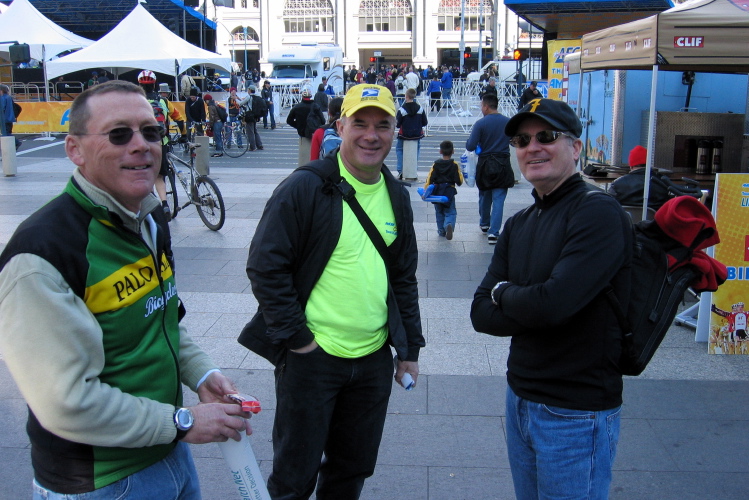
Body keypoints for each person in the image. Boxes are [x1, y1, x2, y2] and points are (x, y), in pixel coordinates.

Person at [0, 80, 250, 498]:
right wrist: (181, 422)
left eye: (151, 132)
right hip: (100, 482)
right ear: (74, 150)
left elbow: (163, 318)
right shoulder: (41, 254)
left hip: (167, 453)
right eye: (119, 134)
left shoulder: (148, 219)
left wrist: (202, 373)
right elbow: (65, 401)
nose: (141, 145)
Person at [244, 83, 423, 500]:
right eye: (359, 123)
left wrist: (409, 350)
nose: (371, 135)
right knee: (294, 474)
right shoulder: (305, 187)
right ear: (339, 126)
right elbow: (265, 266)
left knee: (351, 471)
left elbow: (403, 277)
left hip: (373, 361)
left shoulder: (396, 195)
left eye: (382, 125)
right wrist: (299, 341)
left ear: (396, 131)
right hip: (313, 360)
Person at [471, 98, 632, 500]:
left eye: (546, 136)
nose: (532, 147)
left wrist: (506, 292)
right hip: (520, 398)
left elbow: (553, 305)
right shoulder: (519, 222)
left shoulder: (598, 213)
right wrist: (537, 304)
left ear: (575, 148)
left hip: (575, 412)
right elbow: (479, 312)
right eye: (522, 140)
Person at [465, 94, 515, 243]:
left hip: (485, 164)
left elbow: (470, 146)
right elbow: (514, 141)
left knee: (485, 196)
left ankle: (485, 223)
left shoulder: (481, 124)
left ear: (486, 106)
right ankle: (494, 232)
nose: (481, 108)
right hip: (503, 163)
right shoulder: (508, 122)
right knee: (499, 198)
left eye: (481, 106)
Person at [138, 71, 184, 220]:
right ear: (155, 85)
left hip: (141, 143)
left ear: (139, 85)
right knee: (159, 175)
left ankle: (150, 203)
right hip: (160, 142)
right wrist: (183, 135)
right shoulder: (163, 101)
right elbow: (179, 118)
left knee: (144, 173)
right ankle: (164, 204)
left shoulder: (135, 101)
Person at [609, 145, 671, 210]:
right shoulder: (663, 182)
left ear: (631, 166)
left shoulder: (617, 184)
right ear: (649, 164)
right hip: (654, 219)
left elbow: (610, 206)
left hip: (626, 219)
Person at [424, 140, 464, 240]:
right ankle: (449, 224)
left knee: (439, 211)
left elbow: (429, 178)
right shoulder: (454, 165)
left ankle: (441, 230)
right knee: (450, 211)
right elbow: (459, 180)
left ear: (440, 151)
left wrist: (426, 191)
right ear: (453, 151)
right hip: (449, 191)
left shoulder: (436, 164)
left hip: (437, 192)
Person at [287, 84, 323, 167]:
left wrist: (298, 126)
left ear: (302, 96)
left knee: (303, 161)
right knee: (314, 159)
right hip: (314, 134)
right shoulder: (316, 107)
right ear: (311, 96)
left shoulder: (297, 107)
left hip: (302, 135)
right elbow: (323, 121)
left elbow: (289, 120)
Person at [395, 88, 428, 180]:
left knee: (399, 150)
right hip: (417, 134)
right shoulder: (420, 108)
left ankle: (401, 170)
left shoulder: (402, 109)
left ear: (406, 96)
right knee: (416, 151)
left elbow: (398, 124)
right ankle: (413, 170)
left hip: (404, 134)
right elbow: (425, 122)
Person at [238, 85, 264, 152]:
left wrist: (236, 98)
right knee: (255, 131)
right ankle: (259, 145)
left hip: (249, 115)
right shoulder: (257, 97)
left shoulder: (249, 97)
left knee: (250, 132)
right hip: (255, 115)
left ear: (250, 90)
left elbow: (240, 104)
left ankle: (252, 147)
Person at [0, 84, 21, 150]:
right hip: (9, 118)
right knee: (7, 132)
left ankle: (16, 142)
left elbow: (2, 108)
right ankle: (14, 143)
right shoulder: (8, 97)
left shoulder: (3, 98)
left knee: (6, 133)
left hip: (5, 118)